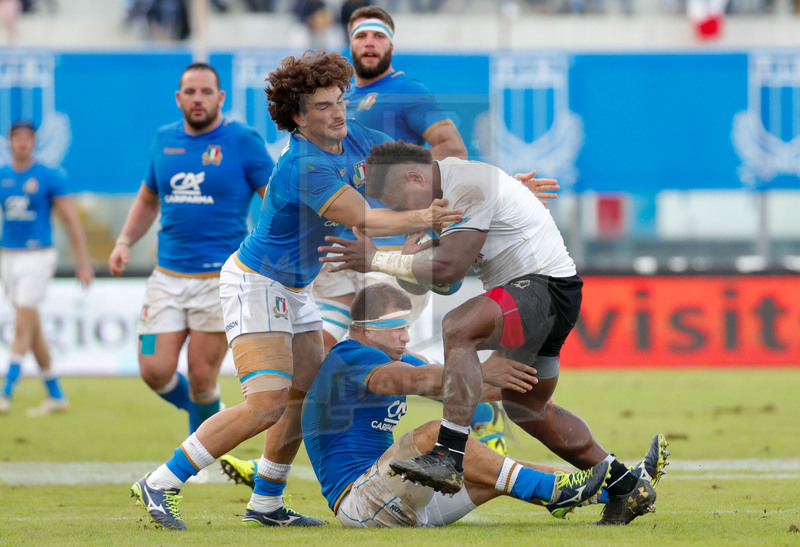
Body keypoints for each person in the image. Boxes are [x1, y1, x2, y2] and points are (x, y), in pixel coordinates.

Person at [128, 50, 462, 531]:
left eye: (339, 100)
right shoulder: (302, 164)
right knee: (266, 404)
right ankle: (160, 482)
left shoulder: (356, 137)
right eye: (323, 106)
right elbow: (364, 217)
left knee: (306, 393)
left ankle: (266, 502)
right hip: (257, 283)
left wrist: (499, 186)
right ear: (299, 118)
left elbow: (422, 167)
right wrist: (425, 217)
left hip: (295, 287)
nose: (338, 112)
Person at [320, 140, 663, 525]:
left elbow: (450, 268)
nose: (405, 215)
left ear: (415, 178)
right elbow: (441, 281)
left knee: (458, 326)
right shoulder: (452, 191)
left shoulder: (466, 185)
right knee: (529, 409)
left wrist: (378, 259)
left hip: (542, 288)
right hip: (543, 298)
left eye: (399, 204)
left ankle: (448, 455)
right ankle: (626, 486)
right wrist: (419, 255)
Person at [315, 5, 560, 456]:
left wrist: (492, 191)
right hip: (346, 245)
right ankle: (278, 469)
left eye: (378, 35)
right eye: (361, 35)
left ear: (391, 44)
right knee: (327, 355)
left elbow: (452, 152)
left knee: (373, 350)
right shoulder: (338, 102)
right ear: (349, 43)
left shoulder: (406, 91)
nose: (369, 43)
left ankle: (478, 413)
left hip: (398, 245)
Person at [108, 63, 273, 442]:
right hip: (166, 277)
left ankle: (197, 455)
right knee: (153, 370)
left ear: (220, 97)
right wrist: (123, 241)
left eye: (206, 92)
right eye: (191, 92)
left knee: (201, 377)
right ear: (178, 98)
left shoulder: (243, 141)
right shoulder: (164, 139)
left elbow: (275, 200)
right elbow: (148, 198)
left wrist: (272, 251)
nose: (198, 99)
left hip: (220, 279)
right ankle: (213, 419)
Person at [0, 120, 94, 416]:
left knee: (22, 321)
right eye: (17, 138)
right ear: (10, 142)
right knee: (32, 325)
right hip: (8, 256)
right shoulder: (3, 176)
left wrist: (83, 262)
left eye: (27, 138)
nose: (22, 143)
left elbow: (69, 219)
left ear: (34, 142)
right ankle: (55, 394)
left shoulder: (48, 176)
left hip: (38, 255)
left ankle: (6, 390)